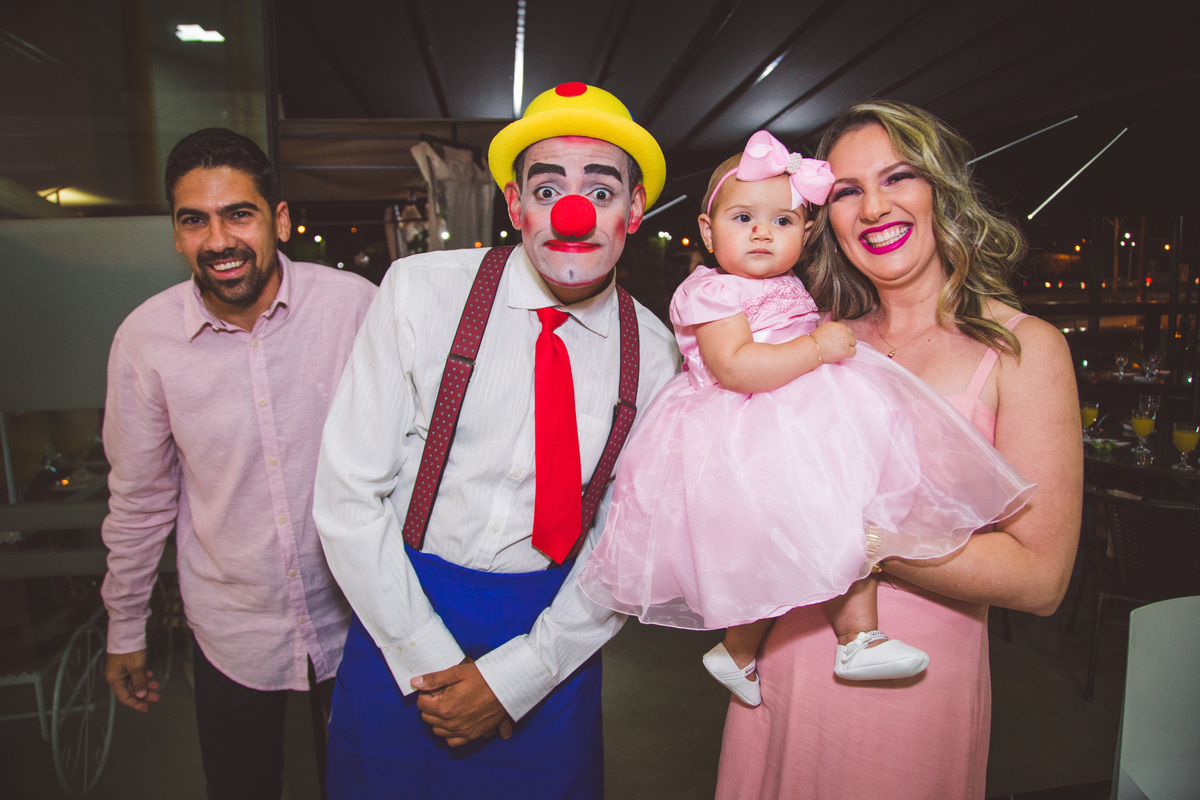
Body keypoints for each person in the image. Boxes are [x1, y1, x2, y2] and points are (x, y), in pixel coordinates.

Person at [311, 82, 680, 799]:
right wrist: (429, 659)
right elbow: (346, 494)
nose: (573, 212)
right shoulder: (419, 291)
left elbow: (625, 546)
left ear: (634, 210)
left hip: (554, 646)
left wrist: (517, 678)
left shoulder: (659, 355)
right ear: (515, 205)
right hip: (399, 621)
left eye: (601, 191)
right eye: (548, 189)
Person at [578, 130, 1034, 708]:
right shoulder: (713, 292)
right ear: (707, 231)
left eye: (783, 221)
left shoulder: (794, 287)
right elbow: (736, 366)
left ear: (808, 231)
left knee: (837, 518)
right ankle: (820, 641)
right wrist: (819, 348)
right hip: (741, 428)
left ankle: (782, 646)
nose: (762, 232)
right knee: (808, 530)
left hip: (789, 415)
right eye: (743, 218)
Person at [715, 101, 1082, 799]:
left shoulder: (1021, 349)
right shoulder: (812, 339)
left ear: (942, 190)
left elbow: (1041, 579)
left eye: (898, 177)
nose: (874, 207)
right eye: (847, 191)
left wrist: (863, 539)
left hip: (910, 688)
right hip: (777, 675)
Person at [101, 128, 377, 800]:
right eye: (194, 220)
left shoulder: (354, 307)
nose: (218, 240)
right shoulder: (144, 340)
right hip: (231, 630)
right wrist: (125, 625)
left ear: (279, 220)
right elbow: (139, 498)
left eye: (238, 214)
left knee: (373, 786)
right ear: (175, 234)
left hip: (361, 618)